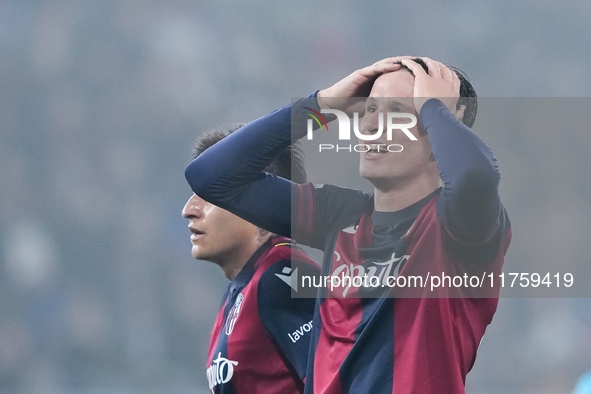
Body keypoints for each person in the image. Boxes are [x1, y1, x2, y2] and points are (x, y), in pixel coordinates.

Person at [185, 57, 512, 393]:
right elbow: (212, 177)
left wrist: (435, 109)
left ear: (436, 134)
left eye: (396, 111)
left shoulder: (458, 229)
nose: (369, 126)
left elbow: (474, 177)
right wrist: (322, 105)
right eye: (369, 109)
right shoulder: (341, 217)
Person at [181, 125, 320, 394]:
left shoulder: (283, 277)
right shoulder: (242, 288)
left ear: (262, 201)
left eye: (210, 196)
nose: (189, 210)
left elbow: (338, 381)